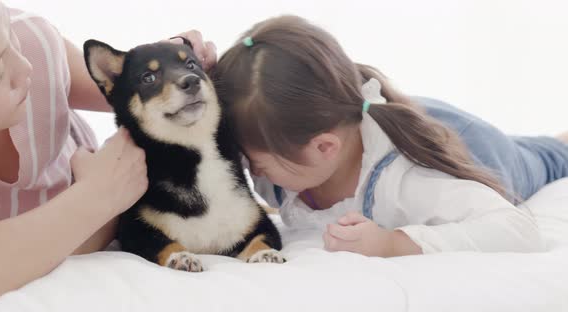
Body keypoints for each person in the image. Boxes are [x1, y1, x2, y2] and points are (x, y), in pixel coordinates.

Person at [211, 15, 568, 258]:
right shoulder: (277, 141)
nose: (249, 172)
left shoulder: (411, 180)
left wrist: (393, 243)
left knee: (546, 157)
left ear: (323, 147)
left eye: (256, 164)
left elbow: (518, 230)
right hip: (381, 117)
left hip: (473, 146)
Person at [0, 0, 216, 303]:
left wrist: (163, 63)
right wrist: (98, 198)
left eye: (8, 35)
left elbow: (124, 90)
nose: (24, 68)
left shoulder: (33, 41)